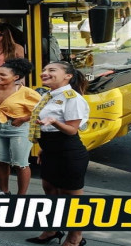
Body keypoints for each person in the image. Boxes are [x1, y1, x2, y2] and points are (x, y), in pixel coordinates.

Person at [26, 61, 89, 246]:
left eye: (51, 70)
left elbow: (72, 130)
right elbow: (45, 127)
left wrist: (54, 122)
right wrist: (44, 149)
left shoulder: (73, 98)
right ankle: (52, 230)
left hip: (68, 152)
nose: (44, 72)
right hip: (50, 150)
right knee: (50, 190)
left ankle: (75, 237)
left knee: (71, 197)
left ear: (68, 76)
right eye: (44, 70)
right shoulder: (48, 95)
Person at [0, 58, 41, 195]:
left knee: (20, 164)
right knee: (1, 161)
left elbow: (42, 110)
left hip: (19, 129)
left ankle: (21, 197)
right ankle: (4, 192)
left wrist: (23, 119)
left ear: (16, 77)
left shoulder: (27, 92)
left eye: (2, 75)